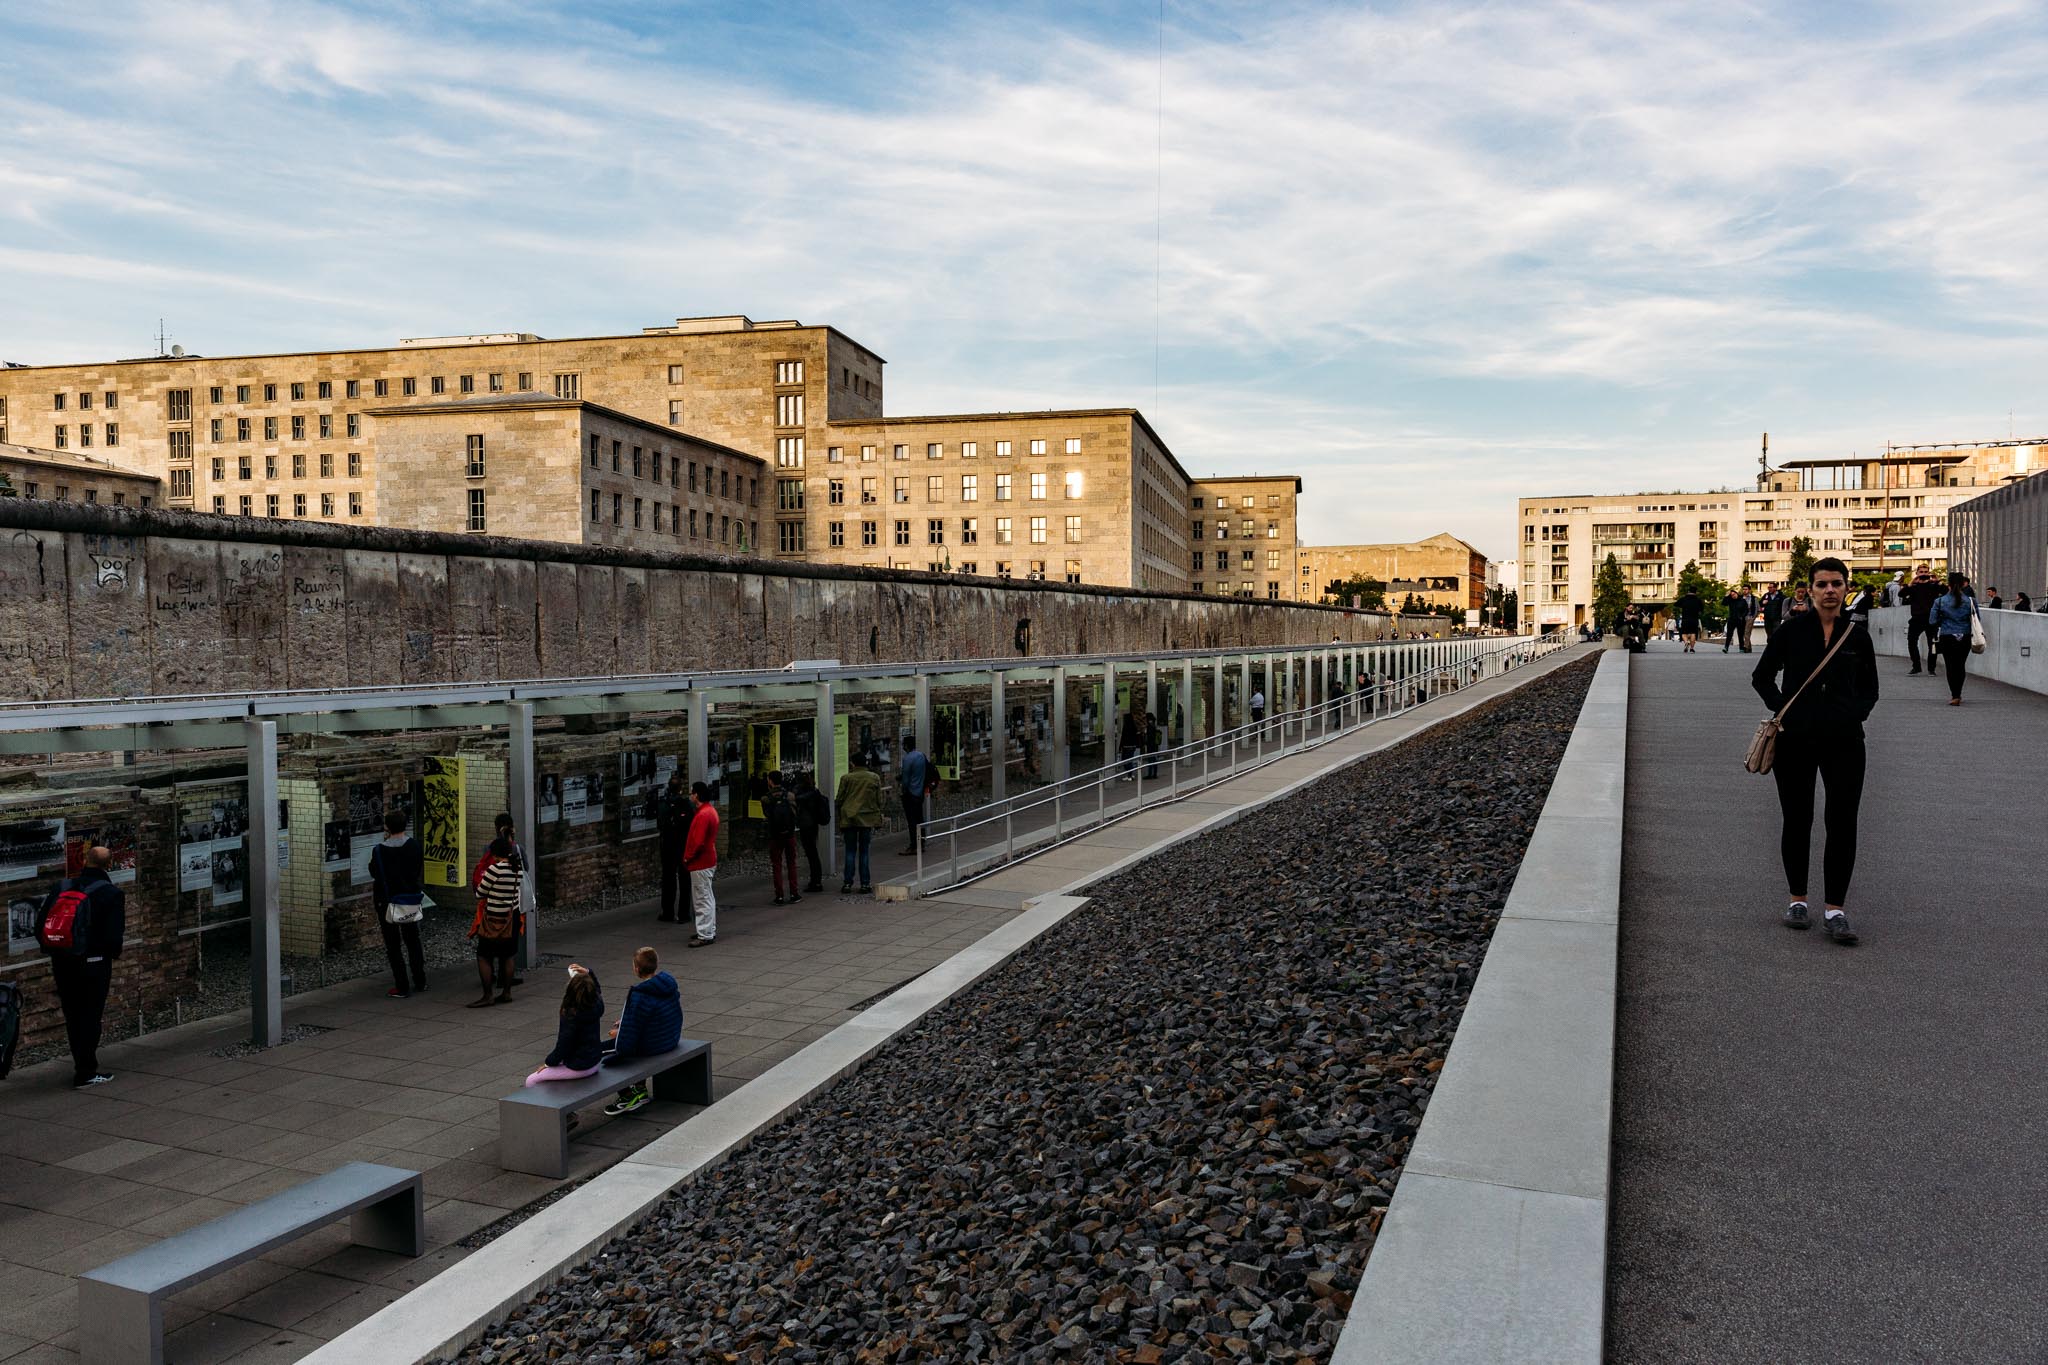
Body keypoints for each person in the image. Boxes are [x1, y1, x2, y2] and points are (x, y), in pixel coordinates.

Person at [1751, 557, 1878, 946]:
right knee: (1797, 818)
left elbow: (1870, 688)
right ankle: (1798, 901)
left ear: (1846, 588)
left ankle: (1835, 910)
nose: (1830, 590)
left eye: (1836, 583)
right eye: (1822, 584)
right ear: (1809, 589)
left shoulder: (1857, 636)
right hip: (1795, 740)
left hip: (1845, 741)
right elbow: (1761, 677)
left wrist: (1854, 713)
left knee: (1842, 821)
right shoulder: (1791, 631)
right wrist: (1784, 710)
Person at [38, 845, 125, 1088]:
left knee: (73, 1014)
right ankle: (85, 1071)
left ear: (85, 861)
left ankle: (82, 1065)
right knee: (90, 1015)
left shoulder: (62, 887)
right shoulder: (111, 894)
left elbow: (41, 924)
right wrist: (108, 955)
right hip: (94, 963)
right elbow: (113, 937)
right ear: (109, 865)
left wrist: (58, 951)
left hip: (62, 961)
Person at [600, 946, 683, 1116]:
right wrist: (625, 1023)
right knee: (625, 1045)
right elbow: (653, 1016)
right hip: (669, 1037)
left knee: (603, 1054)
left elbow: (628, 1039)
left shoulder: (639, 995)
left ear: (636, 969)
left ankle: (629, 1095)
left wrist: (619, 1033)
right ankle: (639, 1088)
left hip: (653, 1045)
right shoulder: (667, 985)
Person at [367, 808, 428, 999]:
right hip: (409, 898)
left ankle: (402, 986)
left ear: (387, 827)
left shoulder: (379, 851)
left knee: (393, 944)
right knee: (413, 940)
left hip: (387, 901)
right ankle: (420, 980)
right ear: (405, 825)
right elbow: (417, 869)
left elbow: (374, 873)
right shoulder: (415, 846)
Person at [526, 964, 603, 1094]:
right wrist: (589, 972)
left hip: (579, 1066)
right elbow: (597, 990)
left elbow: (563, 1045)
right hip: (594, 1060)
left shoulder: (571, 1015)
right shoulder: (597, 1003)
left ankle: (556, 1107)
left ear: (570, 991)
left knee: (532, 1080)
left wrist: (548, 1063)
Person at [467, 833, 524, 1006]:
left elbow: (480, 893)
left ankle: (488, 995)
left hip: (493, 918)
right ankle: (506, 993)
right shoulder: (517, 869)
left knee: (483, 955)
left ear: (495, 854)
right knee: (508, 956)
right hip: (512, 917)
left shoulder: (494, 870)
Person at [1928, 572, 1982, 706]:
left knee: (1950, 666)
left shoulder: (1940, 601)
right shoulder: (1971, 601)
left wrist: (1943, 619)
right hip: (1965, 636)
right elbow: (1977, 619)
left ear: (1949, 584)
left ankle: (1955, 695)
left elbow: (1932, 620)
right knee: (1960, 665)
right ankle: (1959, 693)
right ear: (1963, 584)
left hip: (1947, 636)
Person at [835, 751, 884, 893]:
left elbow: (839, 799)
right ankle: (865, 884)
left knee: (850, 851)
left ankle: (847, 883)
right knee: (864, 851)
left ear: (852, 763)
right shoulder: (874, 777)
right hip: (867, 819)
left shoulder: (846, 778)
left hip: (849, 819)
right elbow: (879, 800)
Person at [683, 782, 720, 947]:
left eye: (691, 793)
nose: (690, 795)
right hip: (707, 859)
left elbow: (698, 842)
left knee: (701, 898)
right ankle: (708, 929)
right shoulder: (710, 811)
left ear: (696, 795)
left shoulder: (703, 815)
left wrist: (687, 857)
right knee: (707, 897)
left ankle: (705, 934)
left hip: (700, 862)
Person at [655, 771, 692, 925]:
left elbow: (660, 824)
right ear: (681, 789)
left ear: (669, 788)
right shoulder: (687, 804)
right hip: (683, 845)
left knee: (668, 880)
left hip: (668, 846)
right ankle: (684, 914)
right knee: (685, 880)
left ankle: (668, 912)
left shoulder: (663, 805)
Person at [761, 771, 802, 906]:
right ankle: (794, 893)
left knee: (777, 865)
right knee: (791, 863)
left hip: (775, 835)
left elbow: (767, 815)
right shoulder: (790, 796)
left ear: (770, 781)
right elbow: (794, 813)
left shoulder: (765, 799)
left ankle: (779, 896)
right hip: (789, 834)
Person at [1900, 563, 1943, 676]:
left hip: (1931, 619)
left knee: (1932, 644)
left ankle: (1931, 669)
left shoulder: (1933, 585)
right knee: (1911, 642)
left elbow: (1946, 592)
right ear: (1917, 573)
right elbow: (1901, 594)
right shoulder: (1913, 587)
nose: (1923, 574)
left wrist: (1938, 581)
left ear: (1929, 573)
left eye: (1925, 572)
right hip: (1916, 618)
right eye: (1921, 572)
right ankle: (1916, 666)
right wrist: (1911, 583)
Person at [792, 771, 829, 893]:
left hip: (806, 825)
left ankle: (816, 882)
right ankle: (816, 880)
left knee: (811, 854)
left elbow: (797, 800)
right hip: (813, 825)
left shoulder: (801, 793)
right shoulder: (814, 791)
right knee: (813, 854)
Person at [897, 737, 934, 855]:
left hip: (910, 793)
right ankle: (921, 843)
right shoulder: (921, 755)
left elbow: (905, 779)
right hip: (920, 792)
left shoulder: (908, 758)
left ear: (906, 746)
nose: (903, 747)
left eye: (903, 744)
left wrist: (903, 790)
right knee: (919, 818)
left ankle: (914, 845)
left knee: (912, 821)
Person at [1722, 587, 1754, 653]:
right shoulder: (1730, 600)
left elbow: (1746, 610)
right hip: (1732, 619)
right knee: (1729, 634)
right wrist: (1726, 596)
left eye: (1734, 594)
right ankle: (1726, 647)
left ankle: (1741, 648)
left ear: (1736, 593)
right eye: (1732, 595)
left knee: (1740, 634)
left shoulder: (1742, 600)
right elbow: (1723, 603)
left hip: (1740, 620)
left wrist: (1742, 616)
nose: (1733, 596)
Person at [1674, 586, 1704, 653]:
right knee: (1693, 633)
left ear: (1688, 591)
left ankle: (1686, 642)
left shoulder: (1684, 599)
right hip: (1694, 619)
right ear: (1696, 592)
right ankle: (1692, 649)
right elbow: (1701, 609)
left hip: (1685, 619)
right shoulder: (1698, 600)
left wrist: (1683, 606)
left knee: (1684, 633)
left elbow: (1676, 604)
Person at [1117, 711, 1141, 780]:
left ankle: (1129, 775)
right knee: (1129, 760)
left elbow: (1123, 737)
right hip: (1132, 746)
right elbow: (1137, 736)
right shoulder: (1134, 726)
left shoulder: (1126, 726)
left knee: (1125, 760)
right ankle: (1130, 774)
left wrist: (1120, 747)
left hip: (1126, 746)